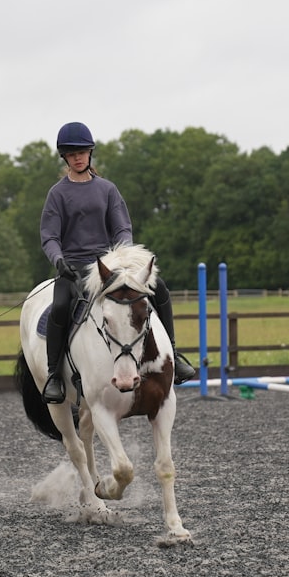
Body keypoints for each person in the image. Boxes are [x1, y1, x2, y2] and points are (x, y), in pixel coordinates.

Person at [39, 121, 195, 403]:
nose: (78, 157)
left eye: (82, 152)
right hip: (74, 267)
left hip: (110, 266)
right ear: (65, 157)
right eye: (72, 153)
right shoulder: (57, 194)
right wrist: (59, 260)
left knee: (159, 289)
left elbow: (122, 228)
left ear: (90, 153)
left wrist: (122, 256)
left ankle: (174, 352)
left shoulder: (108, 190)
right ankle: (54, 375)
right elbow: (49, 236)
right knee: (60, 307)